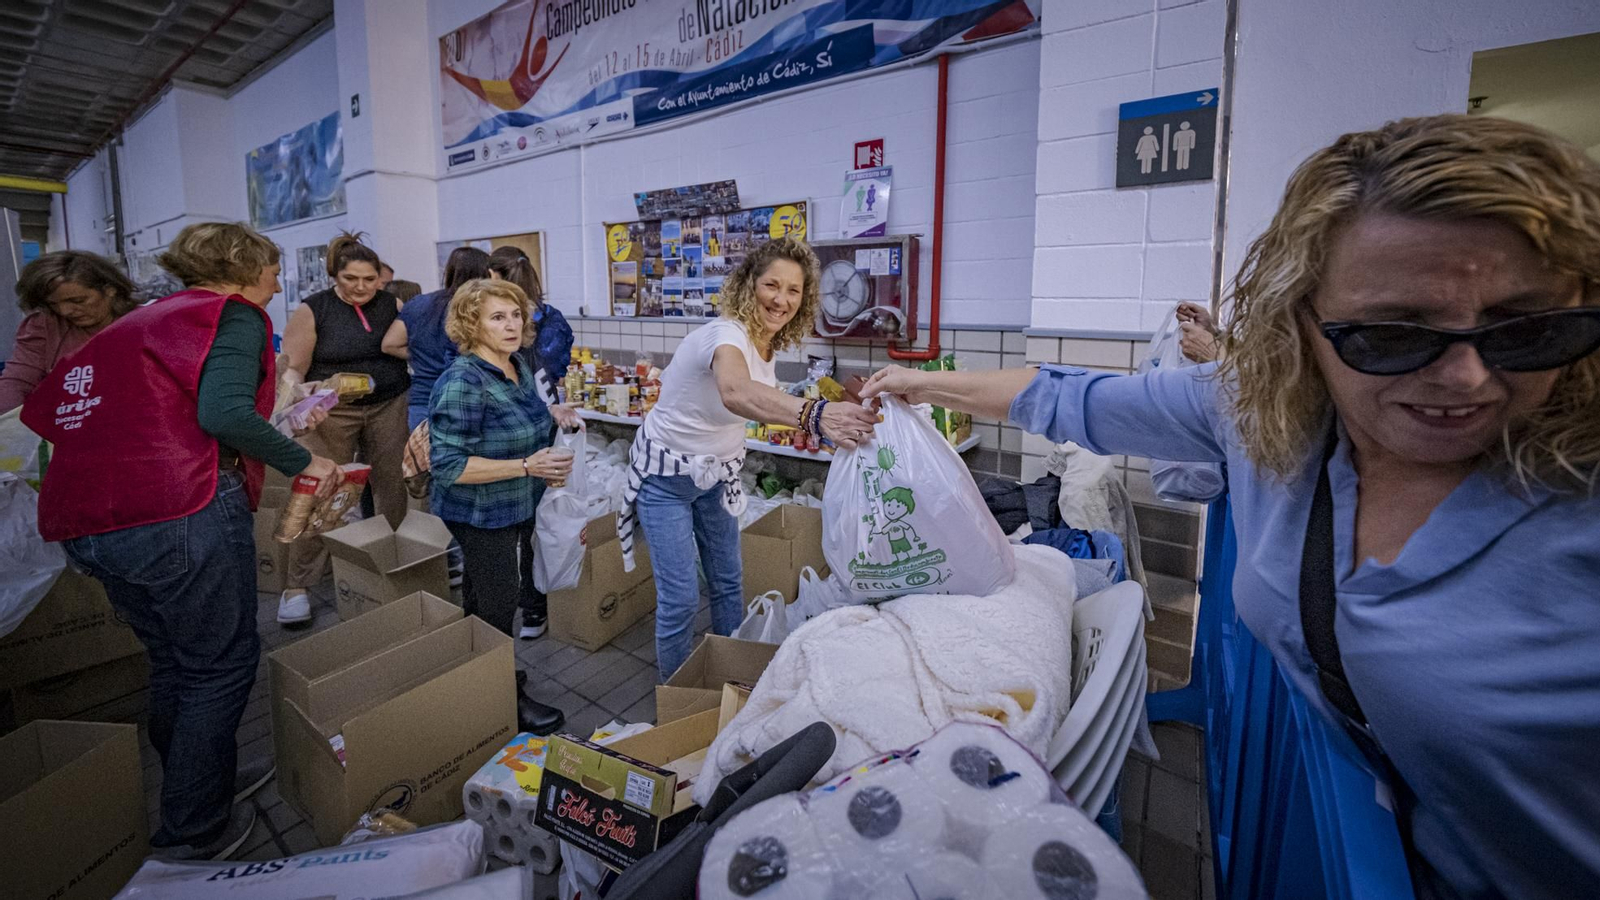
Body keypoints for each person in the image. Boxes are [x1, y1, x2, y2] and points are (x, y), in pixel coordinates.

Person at [863, 115, 1600, 899]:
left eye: (1527, 331)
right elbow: (1069, 396)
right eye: (1391, 335)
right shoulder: (1261, 409)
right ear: (1299, 324)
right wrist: (921, 384)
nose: (1467, 379)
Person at [21, 222, 341, 861]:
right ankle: (194, 829)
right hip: (177, 510)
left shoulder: (144, 321)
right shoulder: (233, 313)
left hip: (90, 522)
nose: (278, 282)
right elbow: (221, 415)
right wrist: (303, 461)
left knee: (174, 660)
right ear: (243, 267)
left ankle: (200, 785)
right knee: (219, 666)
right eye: (272, 269)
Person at [620, 237, 880, 680]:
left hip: (718, 479)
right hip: (664, 482)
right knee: (681, 598)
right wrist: (816, 416)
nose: (781, 300)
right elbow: (736, 393)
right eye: (771, 285)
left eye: (794, 291)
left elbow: (757, 406)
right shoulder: (726, 336)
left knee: (728, 582)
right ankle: (677, 699)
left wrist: (845, 426)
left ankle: (732, 680)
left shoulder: (768, 345)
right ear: (747, 284)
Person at [428, 278, 579, 735]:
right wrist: (527, 465)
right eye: (498, 317)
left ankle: (477, 679)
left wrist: (550, 415)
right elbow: (448, 465)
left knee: (481, 596)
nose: (512, 325)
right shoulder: (462, 380)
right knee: (498, 601)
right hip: (480, 510)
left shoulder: (513, 365)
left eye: (516, 315)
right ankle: (501, 701)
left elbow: (516, 415)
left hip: (514, 504)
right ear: (471, 324)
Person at [278, 233, 410, 625]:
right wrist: (297, 397)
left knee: (392, 486)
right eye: (351, 278)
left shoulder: (393, 304)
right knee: (324, 489)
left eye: (370, 279)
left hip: (389, 403)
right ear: (335, 274)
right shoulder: (313, 309)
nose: (361, 287)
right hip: (333, 411)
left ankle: (395, 563)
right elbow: (294, 366)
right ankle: (297, 585)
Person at [2, 251, 139, 413]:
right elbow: (16, 381)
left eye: (77, 301)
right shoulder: (45, 326)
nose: (65, 311)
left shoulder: (145, 323)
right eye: (53, 304)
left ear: (110, 289)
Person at [382, 246, 492, 429]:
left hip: (424, 399)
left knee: (424, 457)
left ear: (449, 271)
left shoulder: (419, 304)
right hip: (468, 399)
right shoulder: (481, 308)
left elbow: (389, 344)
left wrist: (422, 355)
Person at [487, 245, 574, 385]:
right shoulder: (553, 318)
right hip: (547, 398)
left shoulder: (495, 322)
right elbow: (559, 374)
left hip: (517, 400)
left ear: (494, 277)